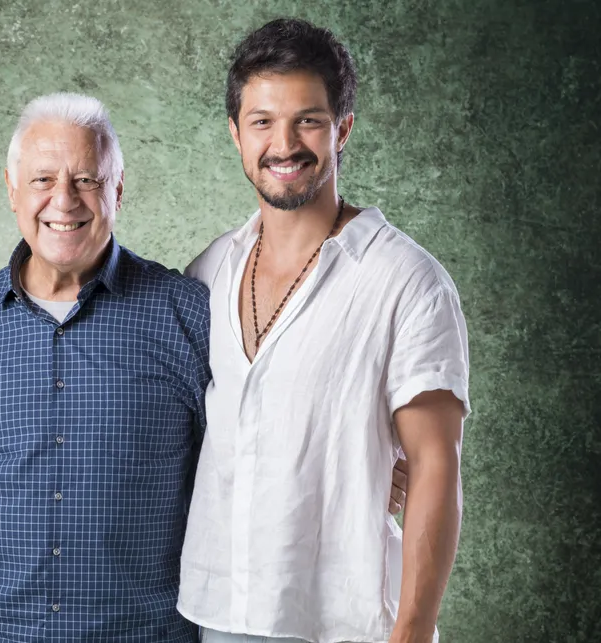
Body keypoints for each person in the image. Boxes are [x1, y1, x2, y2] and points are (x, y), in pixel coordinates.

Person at [0, 94, 409, 642]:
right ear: (12, 190)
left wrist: (370, 463)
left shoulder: (189, 312)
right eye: (42, 179)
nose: (63, 200)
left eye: (87, 179)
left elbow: (265, 433)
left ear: (117, 189)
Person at [177, 19, 470, 643]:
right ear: (235, 134)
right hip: (220, 613)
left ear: (343, 128)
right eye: (262, 121)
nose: (283, 144)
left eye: (307, 120)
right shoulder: (209, 272)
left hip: (346, 621)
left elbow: (435, 463)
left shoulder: (407, 281)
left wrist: (414, 631)